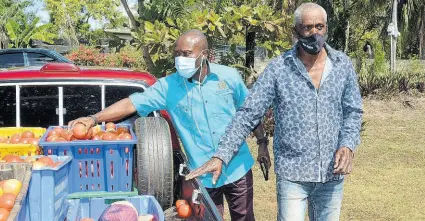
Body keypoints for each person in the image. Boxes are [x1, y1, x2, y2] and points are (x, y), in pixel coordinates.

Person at [186, 3, 363, 221]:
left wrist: (347, 144)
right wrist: (221, 155)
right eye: (307, 28)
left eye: (320, 26)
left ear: (326, 28)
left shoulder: (342, 65)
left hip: (331, 175)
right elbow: (248, 113)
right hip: (293, 176)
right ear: (295, 31)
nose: (314, 33)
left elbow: (353, 111)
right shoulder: (279, 69)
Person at [68, 29, 269, 221]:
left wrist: (262, 143)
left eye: (187, 53)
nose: (180, 59)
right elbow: (132, 103)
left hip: (237, 167)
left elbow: (249, 112)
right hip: (202, 174)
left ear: (205, 54)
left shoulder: (229, 77)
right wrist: (94, 118)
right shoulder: (168, 87)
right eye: (177, 53)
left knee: (244, 217)